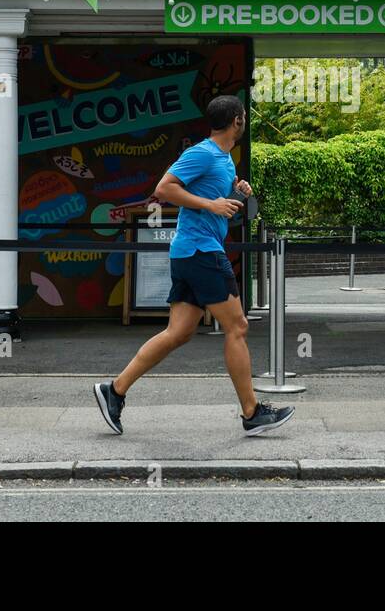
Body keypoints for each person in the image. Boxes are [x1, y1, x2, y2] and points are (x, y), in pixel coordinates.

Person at [94, 95, 293, 437]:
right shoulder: (202, 152)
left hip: (190, 252)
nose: (243, 120)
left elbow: (213, 195)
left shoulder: (223, 158)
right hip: (201, 252)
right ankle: (251, 412)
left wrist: (236, 190)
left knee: (178, 332)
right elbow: (164, 188)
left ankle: (114, 390)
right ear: (236, 121)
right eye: (243, 116)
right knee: (238, 326)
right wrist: (210, 205)